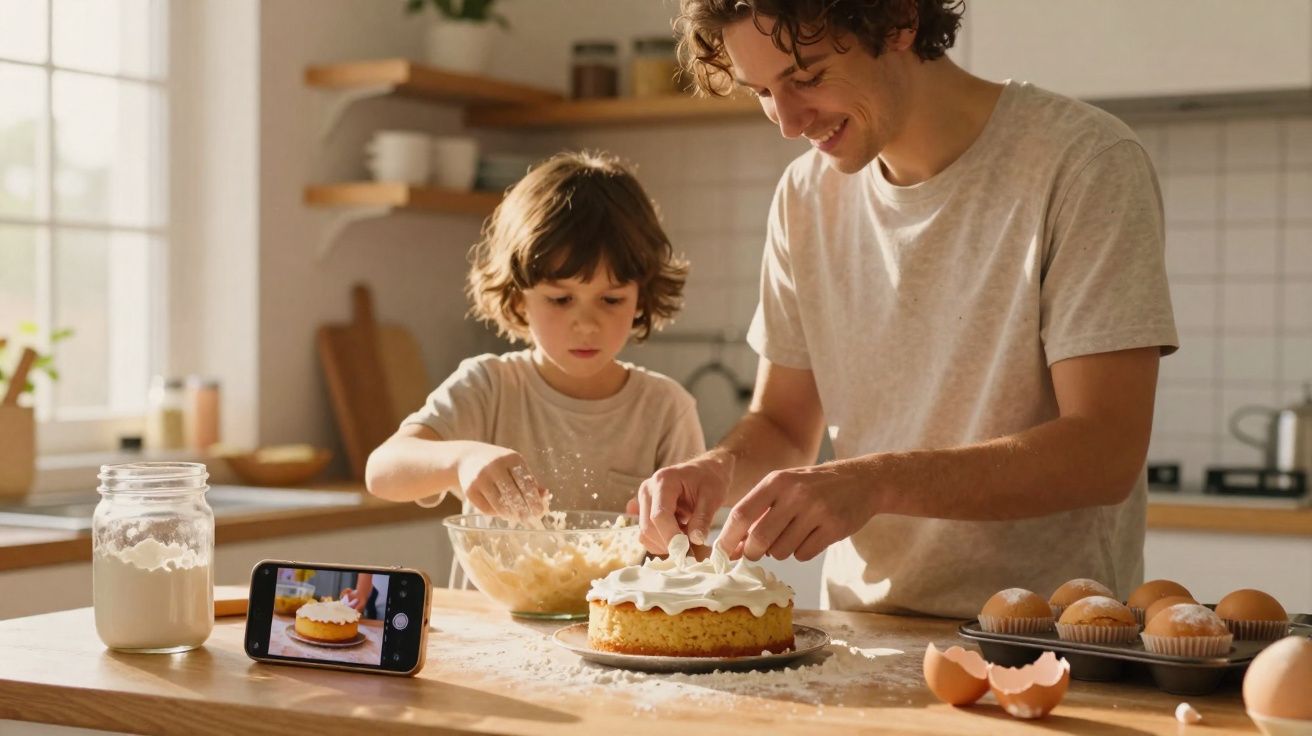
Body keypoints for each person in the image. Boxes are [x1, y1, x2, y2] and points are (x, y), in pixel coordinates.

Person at [635, 0, 1178, 618]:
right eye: (762, 90)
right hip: (858, 637)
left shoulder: (1084, 163)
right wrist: (715, 469)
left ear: (897, 22)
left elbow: (1104, 450)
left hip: (1048, 637)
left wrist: (872, 482)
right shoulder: (804, 195)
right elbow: (785, 426)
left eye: (806, 77)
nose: (786, 121)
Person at [366, 151, 705, 523]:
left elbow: (690, 548)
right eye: (561, 300)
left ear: (642, 296)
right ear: (517, 298)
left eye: (612, 299)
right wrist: (460, 460)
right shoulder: (488, 387)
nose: (587, 324)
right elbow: (382, 471)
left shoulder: (666, 410)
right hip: (486, 585)